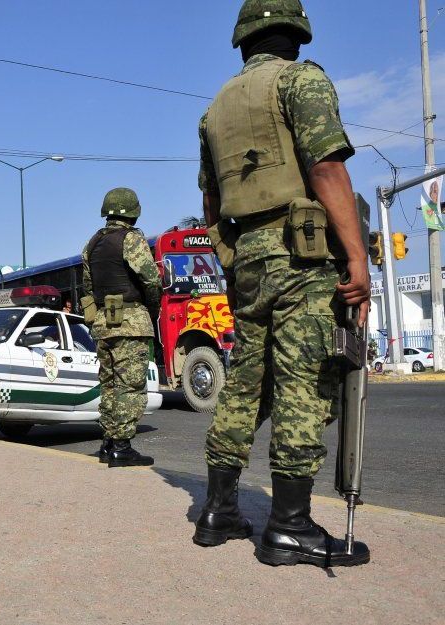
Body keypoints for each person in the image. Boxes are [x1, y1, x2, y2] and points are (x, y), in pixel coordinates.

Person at [193, 0, 371, 568]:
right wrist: (358, 259)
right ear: (295, 34)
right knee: (303, 382)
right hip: (302, 258)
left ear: (244, 40)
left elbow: (211, 204)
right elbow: (326, 169)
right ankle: (289, 526)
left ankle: (218, 512)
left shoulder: (215, 109)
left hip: (247, 259)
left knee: (245, 383)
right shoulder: (301, 81)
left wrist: (233, 257)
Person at [82, 188, 161, 468]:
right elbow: (151, 280)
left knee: (110, 385)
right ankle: (122, 447)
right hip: (130, 321)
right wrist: (152, 310)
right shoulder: (132, 240)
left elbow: (88, 289)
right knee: (130, 386)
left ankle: (109, 441)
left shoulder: (92, 243)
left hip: (104, 324)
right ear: (133, 211)